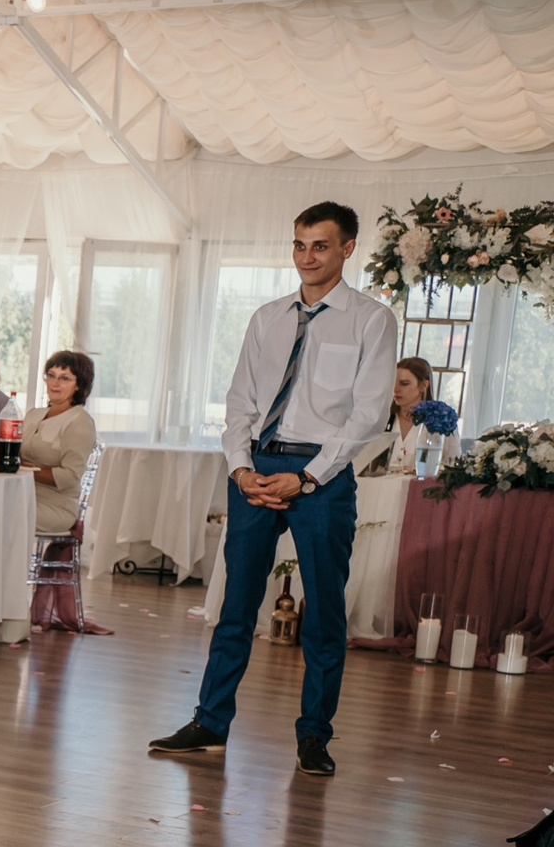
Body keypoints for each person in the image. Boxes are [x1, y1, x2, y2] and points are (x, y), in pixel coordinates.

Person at [151, 202, 397, 777]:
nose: (306, 257)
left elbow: (366, 416)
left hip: (323, 476)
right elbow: (239, 403)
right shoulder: (266, 317)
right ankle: (210, 723)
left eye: (320, 246)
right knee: (235, 608)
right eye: (299, 245)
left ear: (346, 249)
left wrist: (310, 475)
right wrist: (240, 470)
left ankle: (314, 736)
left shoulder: (371, 320)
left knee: (324, 614)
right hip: (256, 470)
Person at [20, 350, 98, 534]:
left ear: (78, 385)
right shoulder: (33, 415)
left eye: (65, 378)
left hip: (55, 506)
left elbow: (70, 477)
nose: (55, 383)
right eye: (51, 376)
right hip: (21, 495)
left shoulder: (79, 421)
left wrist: (25, 468)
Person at [367, 355, 441, 475]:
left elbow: (451, 465)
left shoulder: (440, 423)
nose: (396, 389)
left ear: (423, 385)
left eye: (404, 383)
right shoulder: (382, 419)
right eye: (394, 383)